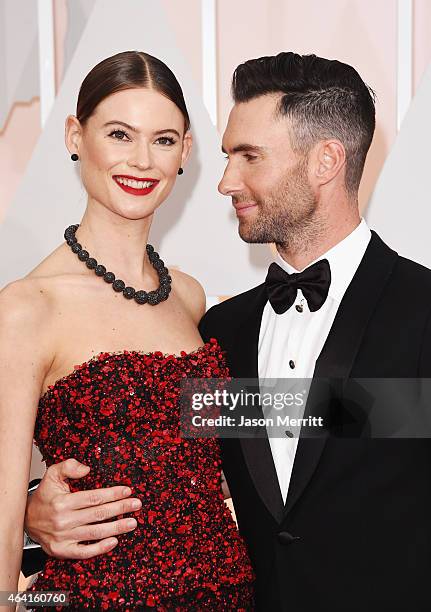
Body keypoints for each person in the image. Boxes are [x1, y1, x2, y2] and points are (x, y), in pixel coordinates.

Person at [21, 51, 431, 611]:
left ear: (326, 161)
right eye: (225, 155)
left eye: (249, 156)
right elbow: (157, 451)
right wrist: (30, 513)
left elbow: (362, 417)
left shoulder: (423, 308)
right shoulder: (221, 328)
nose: (224, 181)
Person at [0, 51, 254, 610]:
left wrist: (388, 410)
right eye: (120, 133)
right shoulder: (26, 308)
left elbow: (208, 453)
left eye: (163, 140)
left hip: (230, 595)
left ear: (186, 151)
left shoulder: (189, 298)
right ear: (75, 135)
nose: (143, 160)